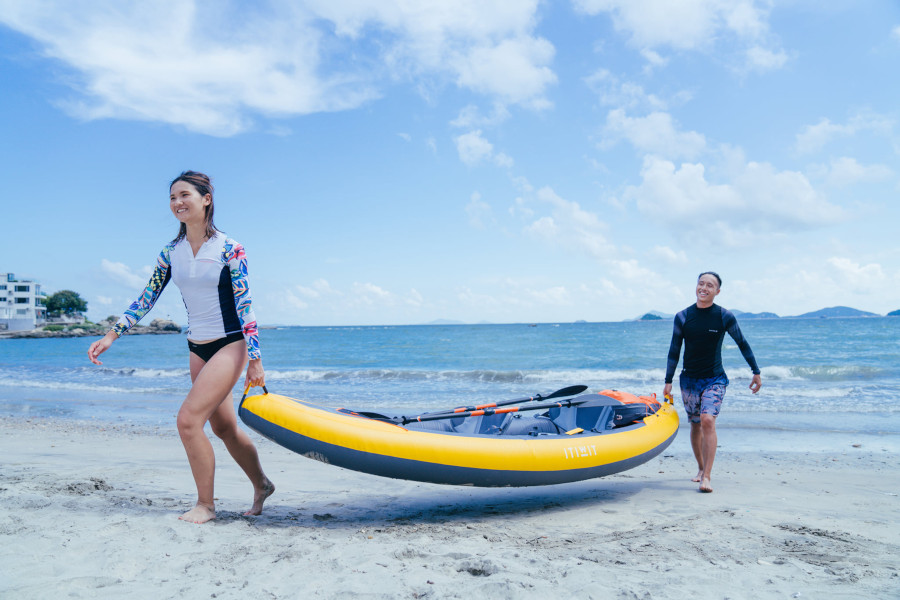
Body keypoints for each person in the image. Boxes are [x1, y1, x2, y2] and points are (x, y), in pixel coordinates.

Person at [88, 170, 274, 523]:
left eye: (185, 195)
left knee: (188, 421)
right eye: (172, 198)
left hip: (229, 344)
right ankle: (262, 484)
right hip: (196, 347)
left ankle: (206, 505)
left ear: (206, 199)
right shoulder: (169, 252)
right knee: (223, 428)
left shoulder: (230, 248)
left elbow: (245, 305)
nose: (177, 203)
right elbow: (146, 298)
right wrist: (111, 335)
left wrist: (255, 359)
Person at [663, 271, 761, 494]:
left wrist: (755, 371)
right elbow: (674, 351)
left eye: (710, 285)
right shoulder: (683, 316)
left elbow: (742, 343)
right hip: (689, 380)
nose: (704, 288)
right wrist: (667, 381)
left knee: (708, 420)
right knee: (695, 424)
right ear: (696, 286)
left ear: (717, 291)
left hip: (715, 379)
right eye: (701, 283)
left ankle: (707, 475)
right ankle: (700, 468)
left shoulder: (724, 316)